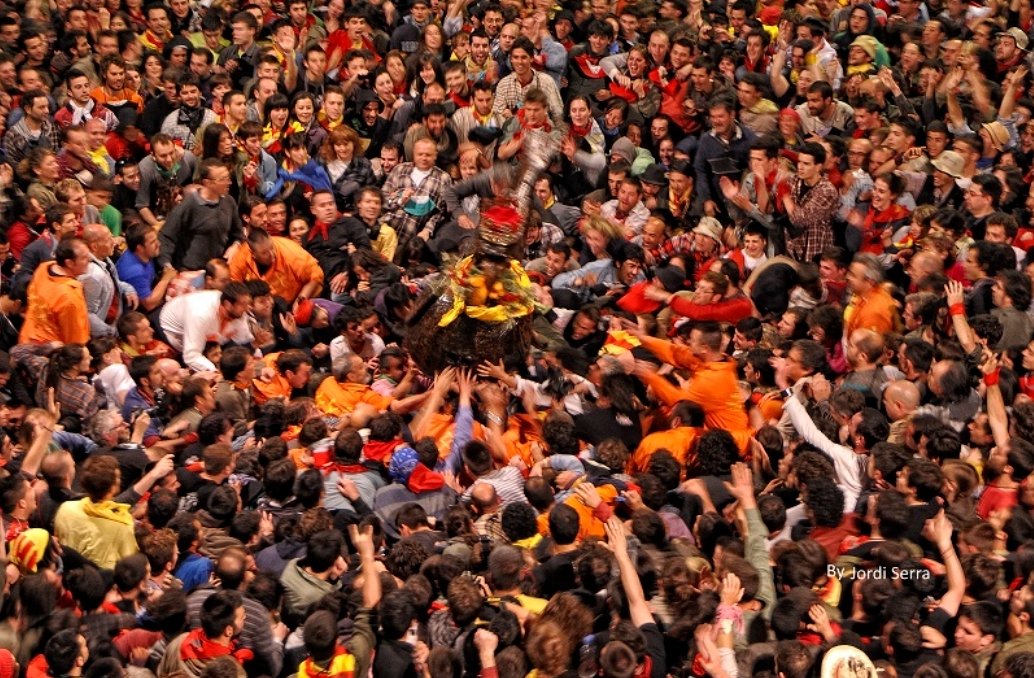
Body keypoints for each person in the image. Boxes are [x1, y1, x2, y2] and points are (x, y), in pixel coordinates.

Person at [158, 159, 244, 271]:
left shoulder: (229, 201)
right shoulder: (189, 205)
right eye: (223, 179)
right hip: (191, 270)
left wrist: (235, 246)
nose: (229, 182)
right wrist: (167, 266)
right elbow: (166, 236)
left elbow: (238, 233)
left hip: (217, 270)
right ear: (207, 183)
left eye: (228, 177)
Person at [159, 282, 253, 372]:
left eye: (247, 303)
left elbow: (243, 340)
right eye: (243, 304)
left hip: (209, 337)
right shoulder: (200, 313)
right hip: (172, 333)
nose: (247, 308)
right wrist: (216, 373)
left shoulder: (237, 312)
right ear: (228, 305)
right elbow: (191, 355)